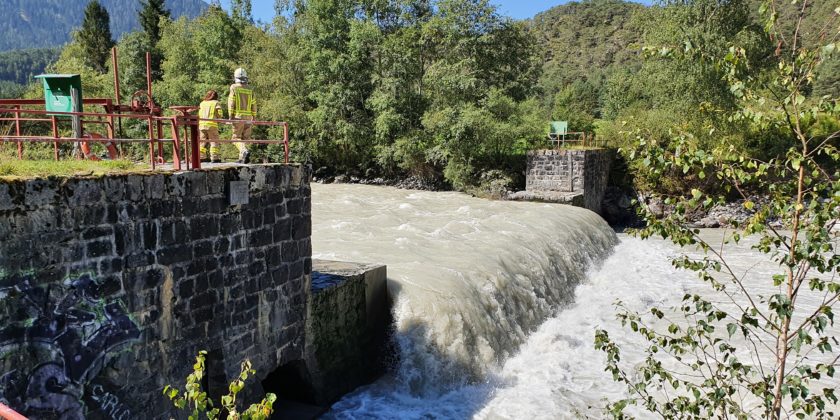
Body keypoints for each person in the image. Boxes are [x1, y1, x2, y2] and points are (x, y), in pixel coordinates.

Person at [228, 67, 257, 164]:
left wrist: (230, 115)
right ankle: (242, 158)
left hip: (238, 116)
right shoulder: (250, 89)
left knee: (235, 138)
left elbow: (231, 102)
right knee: (245, 138)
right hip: (248, 117)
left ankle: (244, 151)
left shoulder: (234, 87)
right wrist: (254, 116)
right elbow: (254, 103)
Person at [198, 90, 223, 163]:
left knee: (202, 142)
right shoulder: (216, 103)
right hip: (211, 125)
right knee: (214, 141)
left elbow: (199, 113)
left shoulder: (202, 103)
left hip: (202, 125)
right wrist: (220, 118)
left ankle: (202, 157)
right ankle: (215, 158)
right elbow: (219, 114)